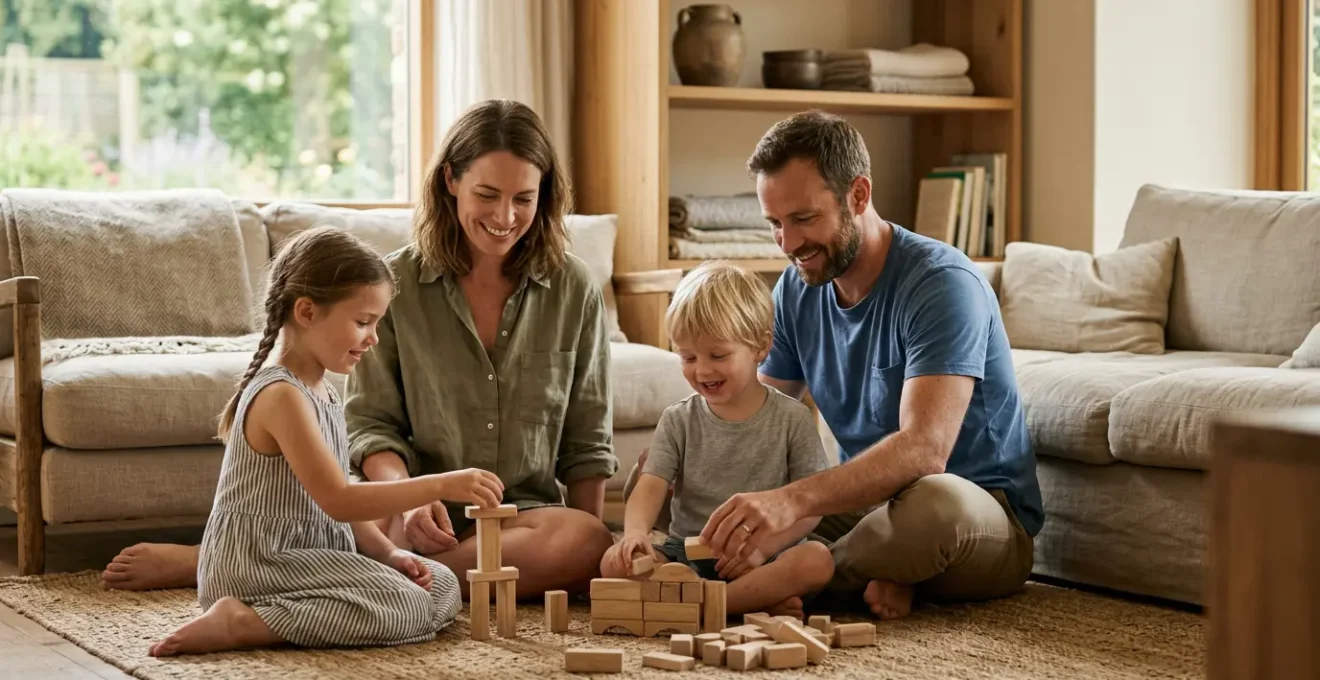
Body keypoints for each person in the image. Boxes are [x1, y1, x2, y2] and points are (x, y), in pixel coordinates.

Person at [104, 99, 619, 598]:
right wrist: (420, 500)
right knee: (340, 508)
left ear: (543, 195)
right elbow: (373, 427)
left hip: (520, 520)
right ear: (451, 181)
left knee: (584, 539)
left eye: (523, 199)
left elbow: (587, 436)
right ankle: (241, 562)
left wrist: (593, 563)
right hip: (406, 510)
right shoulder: (393, 285)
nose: (505, 216)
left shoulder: (573, 288)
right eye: (487, 194)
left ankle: (308, 573)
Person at [631, 110, 1043, 621]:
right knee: (696, 493)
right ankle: (853, 575)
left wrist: (789, 502)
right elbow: (749, 407)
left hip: (977, 512)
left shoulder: (942, 284)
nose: (788, 244)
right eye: (775, 224)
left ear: (859, 196)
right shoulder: (799, 286)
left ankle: (768, 588)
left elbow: (924, 452)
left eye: (804, 219)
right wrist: (690, 453)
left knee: (936, 506)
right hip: (866, 505)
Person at [149, 226, 506, 657]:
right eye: (362, 322)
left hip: (311, 556)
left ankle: (286, 612)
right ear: (306, 311)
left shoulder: (325, 393)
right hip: (260, 562)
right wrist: (440, 485)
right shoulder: (281, 395)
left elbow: (341, 507)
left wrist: (391, 554)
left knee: (442, 586)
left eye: (377, 323)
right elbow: (339, 499)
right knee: (408, 605)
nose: (373, 338)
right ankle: (244, 621)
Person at [600, 261, 834, 619]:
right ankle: (747, 602)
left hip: (762, 557)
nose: (702, 370)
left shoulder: (793, 418)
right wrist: (634, 533)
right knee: (611, 564)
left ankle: (710, 604)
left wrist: (761, 550)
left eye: (718, 355)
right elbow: (650, 484)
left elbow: (809, 507)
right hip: (686, 555)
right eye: (688, 357)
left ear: (760, 347)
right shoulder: (678, 418)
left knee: (816, 561)